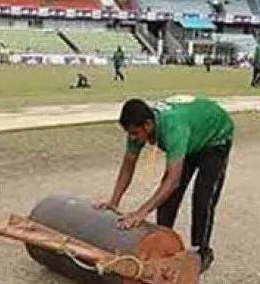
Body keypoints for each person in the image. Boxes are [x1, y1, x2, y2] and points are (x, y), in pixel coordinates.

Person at [95, 95, 233, 274]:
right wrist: (114, 201)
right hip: (191, 137)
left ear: (148, 125)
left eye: (135, 133)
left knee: (202, 197)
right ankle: (163, 242)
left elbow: (173, 180)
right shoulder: (137, 130)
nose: (132, 138)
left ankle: (203, 250)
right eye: (129, 133)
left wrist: (141, 212)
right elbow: (127, 167)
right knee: (168, 197)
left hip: (215, 137)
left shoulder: (173, 128)